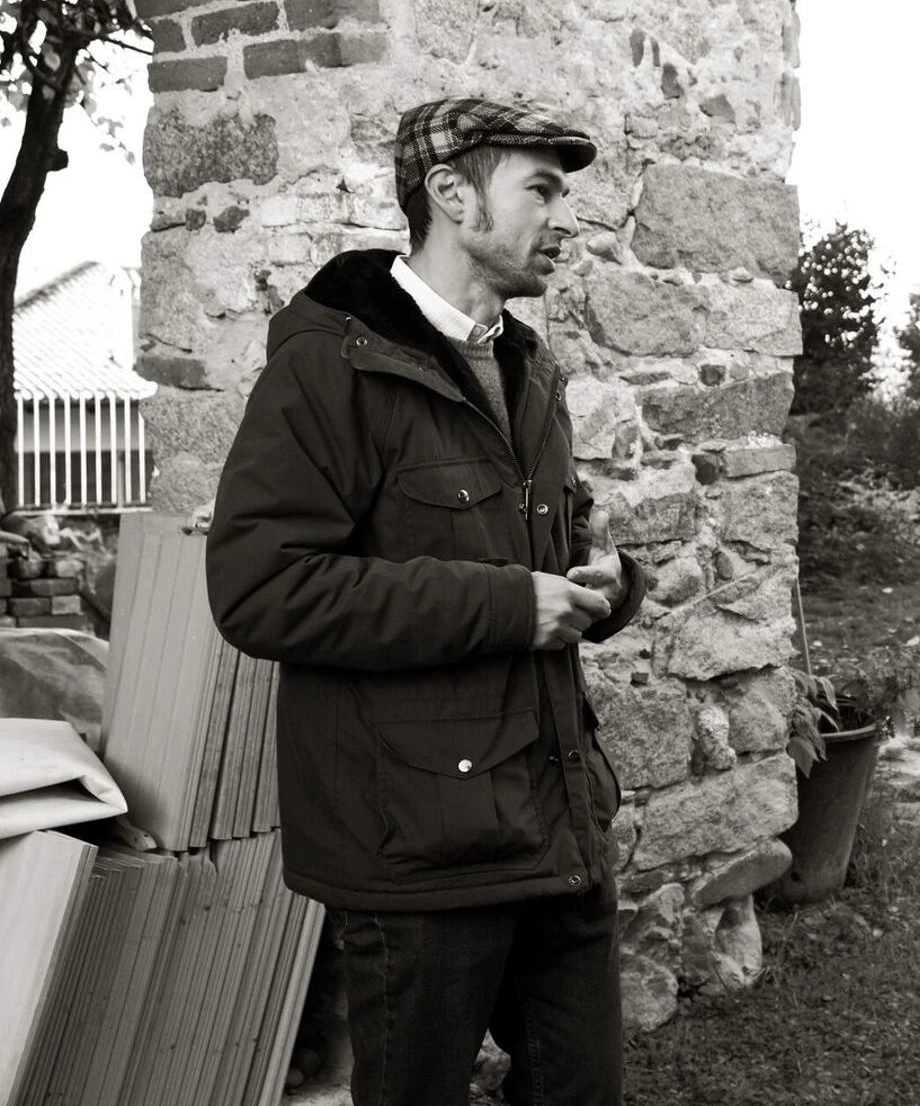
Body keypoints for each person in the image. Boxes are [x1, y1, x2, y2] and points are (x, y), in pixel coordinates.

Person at [206, 97, 648, 1106]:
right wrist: (507, 606)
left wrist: (611, 582)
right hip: (417, 855)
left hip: (559, 827)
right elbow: (261, 589)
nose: (563, 216)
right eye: (540, 189)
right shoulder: (328, 366)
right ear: (451, 193)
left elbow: (564, 535)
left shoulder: (529, 367)